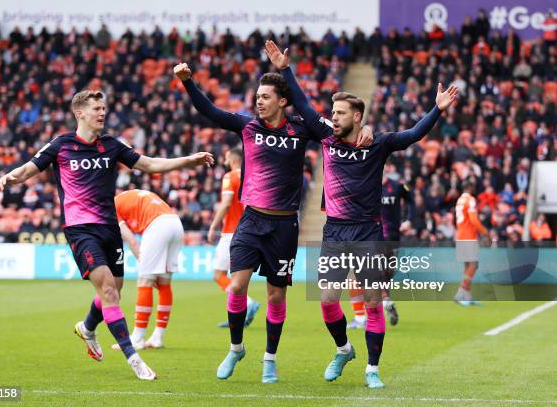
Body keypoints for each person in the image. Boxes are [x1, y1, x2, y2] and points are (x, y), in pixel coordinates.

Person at [265, 39, 457, 388]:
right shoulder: (325, 136)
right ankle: (343, 349)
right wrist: (284, 68)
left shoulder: (379, 144)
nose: (332, 117)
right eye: (332, 112)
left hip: (368, 232)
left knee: (372, 302)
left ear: (357, 117)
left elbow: (414, 134)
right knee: (326, 301)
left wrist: (437, 109)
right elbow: (304, 103)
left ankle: (372, 369)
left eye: (339, 113)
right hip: (335, 231)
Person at [174, 61, 373, 383]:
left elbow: (341, 131)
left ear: (282, 101)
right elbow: (209, 110)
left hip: (284, 226)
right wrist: (188, 82)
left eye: (265, 96)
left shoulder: (301, 128)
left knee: (276, 296)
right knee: (236, 285)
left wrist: (367, 129)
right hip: (251, 221)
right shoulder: (247, 126)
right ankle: (236, 348)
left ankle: (270, 359)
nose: (258, 101)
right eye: (257, 96)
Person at [0, 89, 213, 380]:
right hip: (80, 229)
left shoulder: (111, 145)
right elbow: (27, 170)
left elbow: (148, 164)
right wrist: (9, 176)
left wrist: (187, 160)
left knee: (115, 290)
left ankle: (87, 327)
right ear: (79, 113)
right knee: (109, 291)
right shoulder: (61, 145)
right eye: (96, 108)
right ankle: (134, 359)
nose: (102, 113)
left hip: (109, 228)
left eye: (104, 108)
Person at [111, 189, 184, 350]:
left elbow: (131, 241)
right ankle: (158, 337)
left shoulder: (110, 206)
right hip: (175, 223)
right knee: (164, 283)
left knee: (145, 280)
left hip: (157, 226)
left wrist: (143, 261)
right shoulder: (128, 196)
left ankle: (137, 338)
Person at [348, 174, 412, 328]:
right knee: (381, 278)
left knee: (359, 277)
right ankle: (381, 306)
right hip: (387, 239)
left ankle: (362, 317)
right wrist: (409, 219)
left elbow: (410, 199)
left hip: (375, 238)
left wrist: (408, 219)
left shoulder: (388, 186)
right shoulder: (374, 185)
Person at [207, 149, 260, 328]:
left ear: (232, 158)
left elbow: (226, 203)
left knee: (218, 274)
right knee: (238, 277)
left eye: (227, 156)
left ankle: (248, 303)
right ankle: (240, 316)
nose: (225, 159)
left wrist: (213, 226)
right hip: (249, 231)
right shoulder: (251, 175)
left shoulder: (230, 177)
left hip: (231, 232)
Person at [454, 182, 488, 306]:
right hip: (469, 235)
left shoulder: (459, 200)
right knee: (474, 264)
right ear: (470, 188)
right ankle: (460, 293)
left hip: (460, 235)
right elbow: (474, 220)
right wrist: (485, 232)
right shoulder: (470, 200)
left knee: (467, 265)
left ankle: (467, 296)